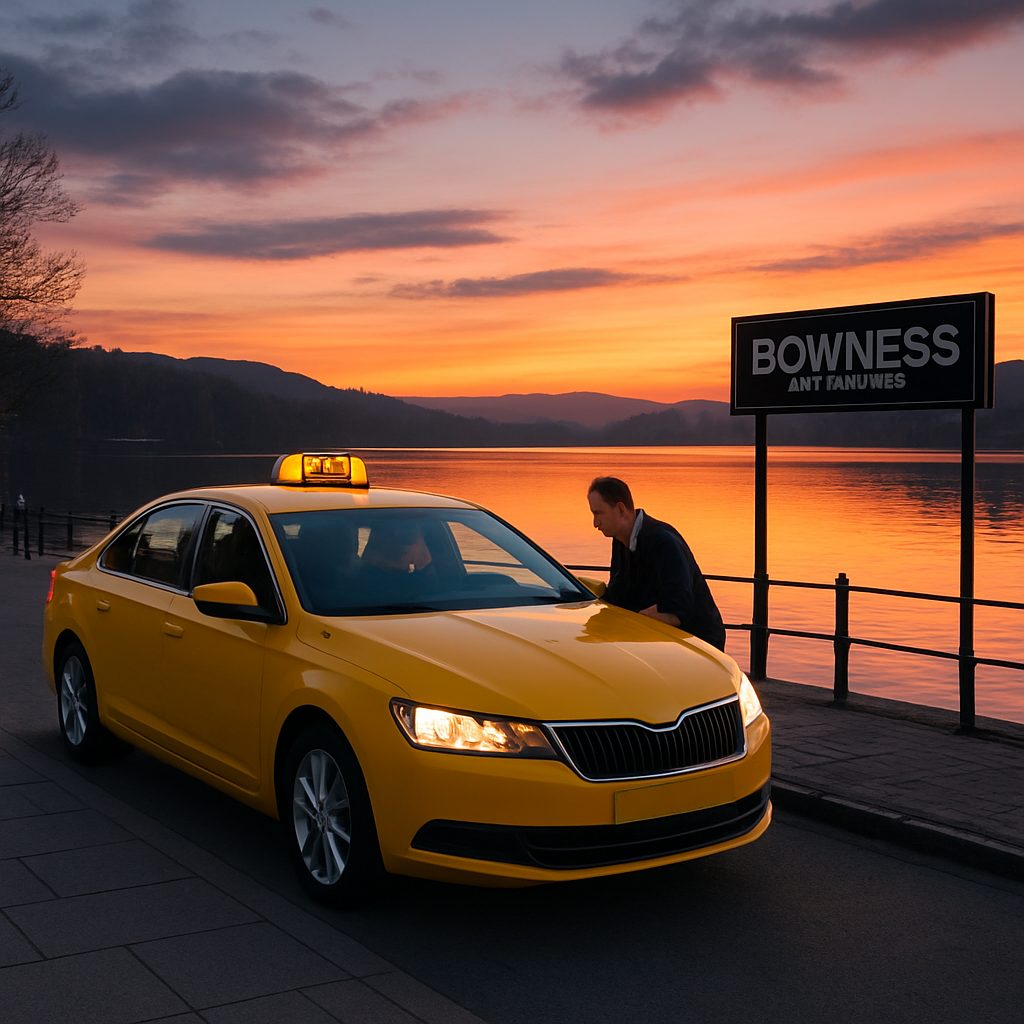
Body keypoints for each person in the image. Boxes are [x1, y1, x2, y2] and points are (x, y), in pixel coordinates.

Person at [587, 476, 726, 651]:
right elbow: (619, 593)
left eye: (598, 513)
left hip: (697, 643)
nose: (595, 523)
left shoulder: (662, 541)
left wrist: (637, 619)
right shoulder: (620, 540)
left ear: (621, 509)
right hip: (661, 639)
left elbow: (676, 606)